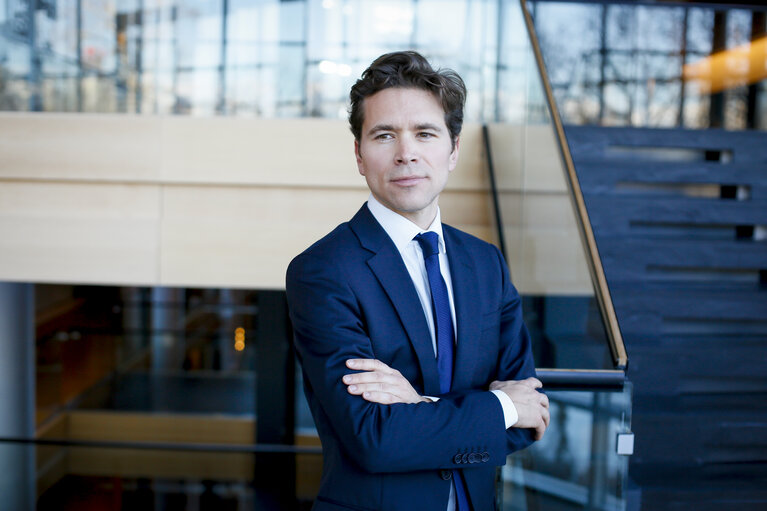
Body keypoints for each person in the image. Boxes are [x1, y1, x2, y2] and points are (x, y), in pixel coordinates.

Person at [286, 51, 549, 511]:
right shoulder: (323, 271)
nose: (406, 153)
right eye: (384, 135)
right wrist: (497, 409)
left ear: (453, 150)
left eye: (425, 134)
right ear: (359, 155)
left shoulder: (486, 263)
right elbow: (375, 438)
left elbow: (532, 417)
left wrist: (419, 407)